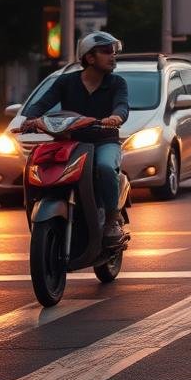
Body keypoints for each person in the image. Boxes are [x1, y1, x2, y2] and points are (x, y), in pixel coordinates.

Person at [22, 31, 129, 247]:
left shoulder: (117, 83)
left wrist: (116, 117)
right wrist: (30, 118)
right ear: (89, 57)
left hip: (104, 142)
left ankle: (111, 219)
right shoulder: (65, 82)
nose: (112, 56)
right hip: (71, 143)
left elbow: (122, 105)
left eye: (114, 52)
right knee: (39, 165)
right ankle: (39, 206)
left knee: (106, 167)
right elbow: (42, 103)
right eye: (107, 51)